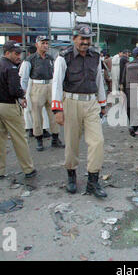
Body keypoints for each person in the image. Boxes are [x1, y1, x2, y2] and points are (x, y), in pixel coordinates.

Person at [52, 25, 107, 197]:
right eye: (82, 39)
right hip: (71, 102)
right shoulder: (63, 57)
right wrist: (57, 109)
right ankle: (71, 176)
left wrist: (103, 104)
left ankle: (93, 182)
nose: (85, 42)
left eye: (88, 38)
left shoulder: (96, 57)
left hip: (91, 103)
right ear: (74, 38)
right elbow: (56, 83)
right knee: (72, 143)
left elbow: (99, 80)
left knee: (97, 142)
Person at [0, 41, 37, 179]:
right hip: (8, 106)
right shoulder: (11, 68)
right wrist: (21, 96)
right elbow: (14, 89)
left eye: (20, 53)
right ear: (7, 52)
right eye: (16, 53)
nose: (19, 56)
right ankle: (28, 169)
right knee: (19, 138)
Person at [20, 36, 64, 151]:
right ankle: (39, 140)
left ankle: (55, 138)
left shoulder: (50, 58)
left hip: (50, 85)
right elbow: (24, 79)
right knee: (37, 115)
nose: (45, 45)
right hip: (37, 87)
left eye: (46, 43)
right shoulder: (30, 60)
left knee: (54, 113)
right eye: (43, 43)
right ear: (37, 45)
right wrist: (23, 95)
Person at [19, 44, 53, 139]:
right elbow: (24, 78)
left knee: (32, 110)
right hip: (33, 86)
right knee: (35, 110)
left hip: (35, 86)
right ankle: (35, 130)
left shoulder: (48, 59)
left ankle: (34, 129)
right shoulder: (29, 61)